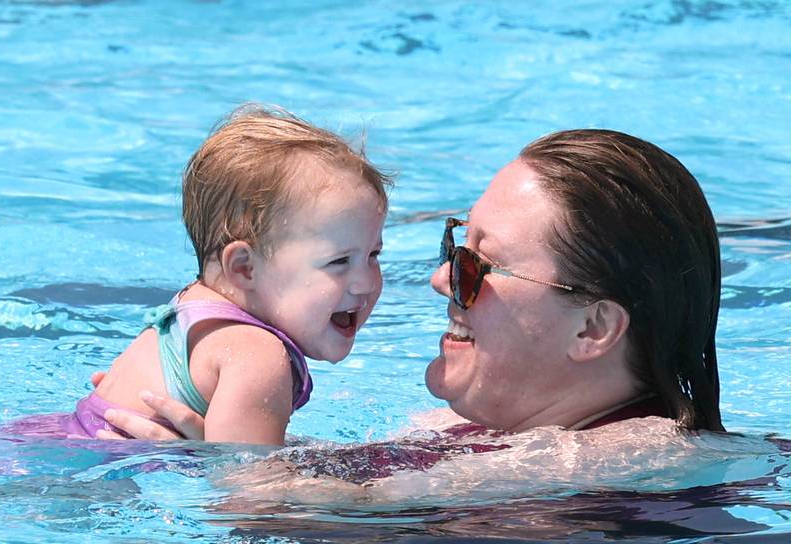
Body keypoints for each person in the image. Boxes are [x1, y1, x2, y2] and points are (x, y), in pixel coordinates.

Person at [96, 128, 724, 466]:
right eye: (457, 247)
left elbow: (263, 516)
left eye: (483, 265)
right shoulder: (491, 434)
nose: (443, 280)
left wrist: (213, 467)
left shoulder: (624, 459)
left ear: (592, 330)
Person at [11, 104, 390, 445]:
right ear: (244, 268)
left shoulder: (192, 308)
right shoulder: (255, 355)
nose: (366, 282)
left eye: (373, 254)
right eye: (339, 262)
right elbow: (252, 503)